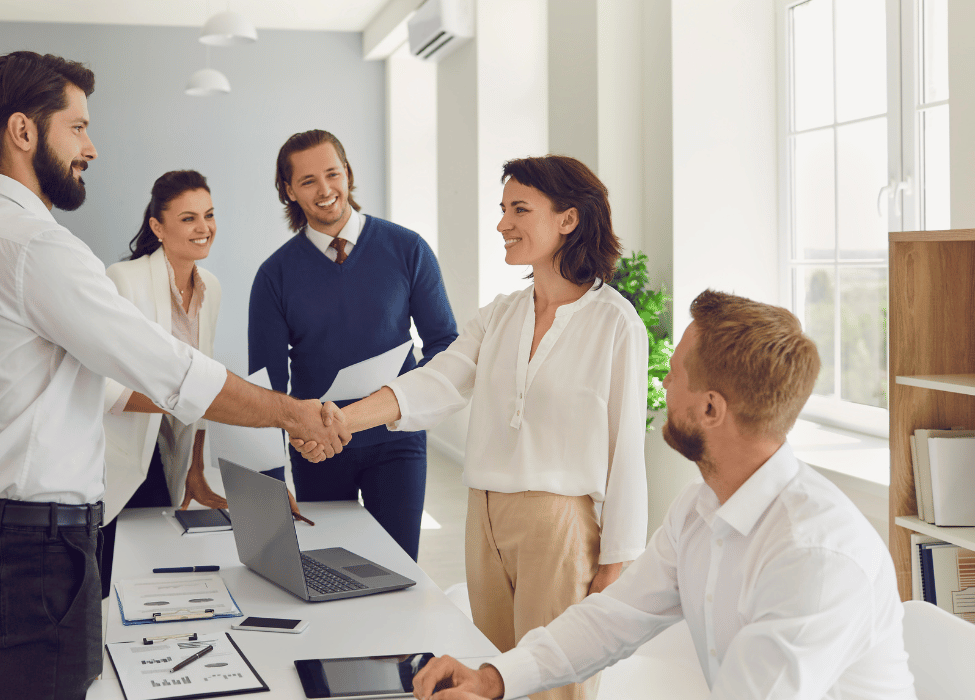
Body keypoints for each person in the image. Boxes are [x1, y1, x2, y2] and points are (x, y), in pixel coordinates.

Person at [0, 51, 348, 700]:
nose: (91, 146)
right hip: (33, 550)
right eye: (78, 127)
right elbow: (171, 371)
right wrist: (295, 413)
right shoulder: (37, 249)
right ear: (23, 131)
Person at [409, 290, 917, 700]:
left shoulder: (814, 558)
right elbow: (611, 620)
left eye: (676, 372)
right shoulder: (700, 510)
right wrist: (494, 678)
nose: (664, 381)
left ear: (712, 409)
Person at [310, 155, 648, 700]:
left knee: (553, 686)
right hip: (484, 516)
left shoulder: (616, 324)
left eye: (520, 209)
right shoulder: (502, 313)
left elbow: (627, 449)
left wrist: (616, 564)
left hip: (557, 525)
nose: (502, 224)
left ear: (568, 219)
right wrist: (341, 420)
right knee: (490, 676)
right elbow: (436, 381)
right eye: (502, 209)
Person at [249, 129, 458, 561]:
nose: (325, 190)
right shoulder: (275, 276)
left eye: (333, 173)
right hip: (318, 448)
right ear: (289, 191)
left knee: (398, 570)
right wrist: (271, 480)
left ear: (348, 174)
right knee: (329, 568)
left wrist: (408, 404)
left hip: (396, 441)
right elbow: (266, 388)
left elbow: (444, 346)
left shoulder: (408, 249)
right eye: (308, 181)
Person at [99, 170, 308, 598]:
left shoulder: (209, 286)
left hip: (169, 451)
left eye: (209, 215)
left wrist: (195, 471)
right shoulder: (124, 279)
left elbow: (202, 374)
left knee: (154, 567)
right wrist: (189, 402)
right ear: (157, 227)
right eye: (189, 218)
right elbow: (107, 388)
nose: (204, 228)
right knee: (116, 569)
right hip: (122, 453)